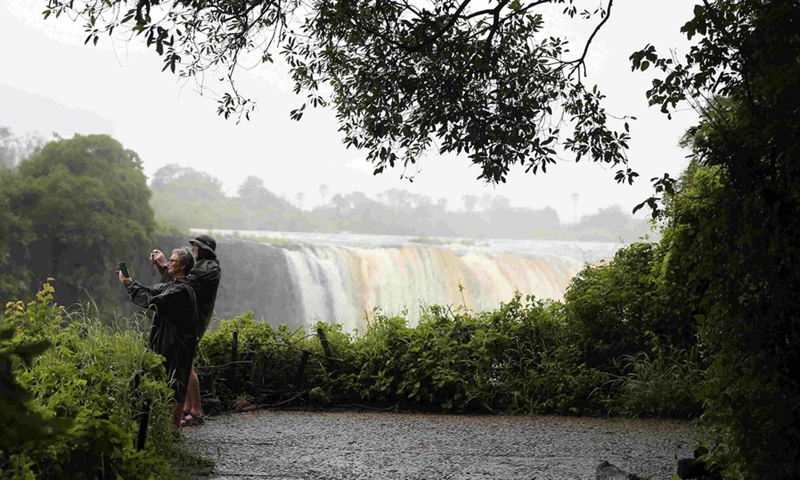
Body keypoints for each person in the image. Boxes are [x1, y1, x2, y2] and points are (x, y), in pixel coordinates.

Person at [118, 247, 199, 434]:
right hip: (171, 341)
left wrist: (130, 285)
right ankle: (168, 425)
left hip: (179, 344)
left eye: (173, 261)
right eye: (169, 260)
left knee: (176, 382)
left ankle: (174, 427)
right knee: (171, 380)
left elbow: (155, 302)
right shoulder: (175, 284)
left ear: (184, 266)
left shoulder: (182, 289)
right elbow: (152, 292)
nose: (168, 263)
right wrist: (130, 283)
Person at [151, 234, 221, 426]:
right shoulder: (205, 266)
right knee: (184, 363)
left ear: (204, 249)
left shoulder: (209, 268)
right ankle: (189, 408)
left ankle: (197, 410)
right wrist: (163, 266)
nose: (193, 250)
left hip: (193, 320)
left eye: (195, 247)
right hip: (188, 319)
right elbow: (174, 282)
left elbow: (182, 280)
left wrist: (166, 265)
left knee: (184, 363)